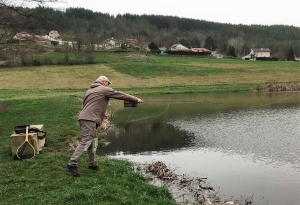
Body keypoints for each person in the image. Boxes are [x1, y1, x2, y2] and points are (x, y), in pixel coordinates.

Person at [66, 75, 143, 177]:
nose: (109, 85)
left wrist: (102, 114)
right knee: (86, 140)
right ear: (104, 82)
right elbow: (119, 94)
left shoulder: (90, 91)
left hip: (87, 118)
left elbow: (90, 105)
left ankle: (92, 164)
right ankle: (72, 164)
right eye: (108, 83)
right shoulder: (103, 89)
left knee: (94, 141)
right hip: (89, 119)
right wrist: (135, 99)